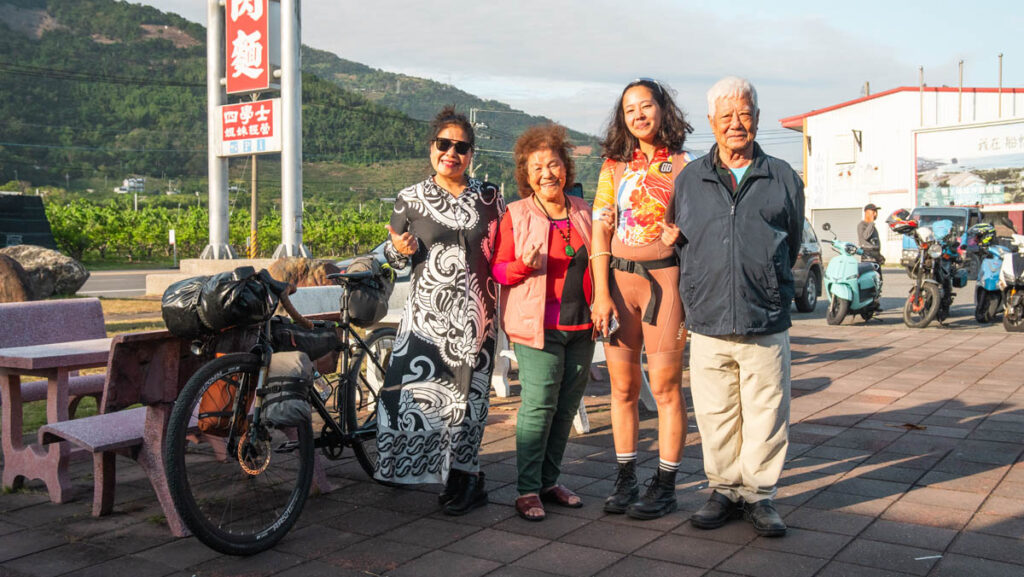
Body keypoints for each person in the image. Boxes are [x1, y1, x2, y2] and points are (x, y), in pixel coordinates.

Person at [673, 76, 804, 537]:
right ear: (711, 121)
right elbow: (680, 243)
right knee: (715, 414)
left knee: (768, 415)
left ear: (757, 118)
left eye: (743, 114)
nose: (735, 124)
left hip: (764, 318)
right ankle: (724, 489)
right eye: (725, 116)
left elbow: (790, 244)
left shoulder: (783, 176)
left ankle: (760, 496)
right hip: (707, 320)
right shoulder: (689, 179)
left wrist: (770, 286)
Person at [377, 106, 504, 516]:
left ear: (472, 153)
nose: (451, 153)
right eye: (444, 144)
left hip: (478, 317)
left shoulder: (490, 197)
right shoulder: (409, 199)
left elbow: (504, 255)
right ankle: (437, 473)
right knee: (418, 398)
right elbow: (395, 263)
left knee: (471, 400)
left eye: (461, 147)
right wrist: (399, 251)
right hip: (426, 321)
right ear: (432, 148)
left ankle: (467, 479)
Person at [590, 78, 694, 520]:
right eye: (629, 109)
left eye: (645, 105)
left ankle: (665, 484)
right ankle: (626, 476)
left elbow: (696, 233)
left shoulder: (687, 166)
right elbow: (599, 230)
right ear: (623, 118)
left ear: (662, 109)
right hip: (617, 284)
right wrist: (600, 294)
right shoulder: (613, 167)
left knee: (668, 388)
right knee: (623, 388)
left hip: (664, 285)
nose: (638, 115)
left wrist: (680, 235)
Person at [492, 124, 595, 522]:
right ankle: (526, 490)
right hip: (536, 329)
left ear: (565, 168)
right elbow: (499, 271)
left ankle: (550, 481)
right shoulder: (516, 215)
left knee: (566, 407)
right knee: (538, 407)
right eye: (537, 167)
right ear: (526, 174)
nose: (547, 173)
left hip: (582, 327)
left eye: (553, 164)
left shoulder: (584, 212)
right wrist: (522, 265)